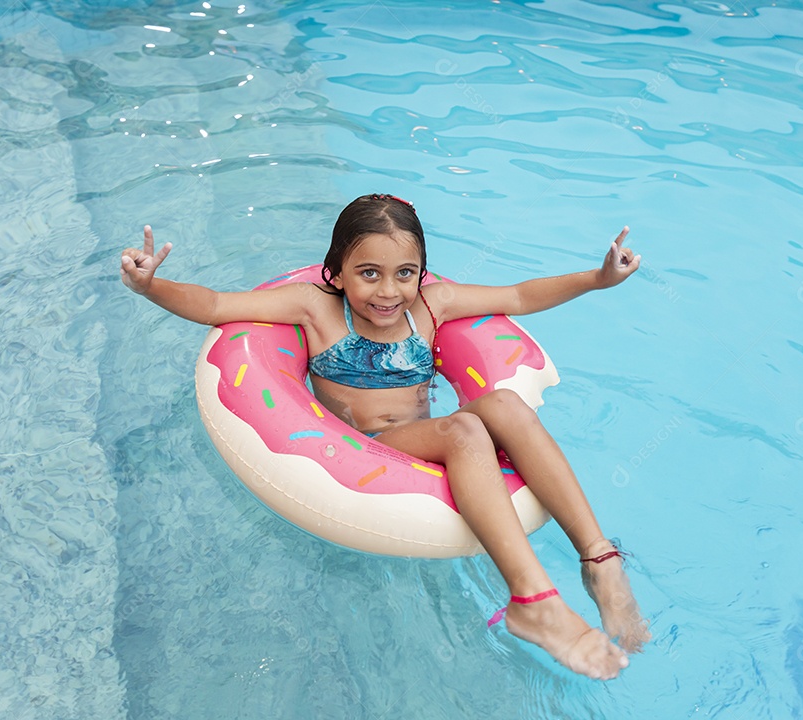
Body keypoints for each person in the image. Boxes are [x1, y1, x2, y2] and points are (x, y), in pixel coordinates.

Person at [120, 193, 650, 680]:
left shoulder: (431, 306)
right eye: (369, 273)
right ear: (337, 272)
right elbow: (215, 306)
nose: (388, 291)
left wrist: (596, 279)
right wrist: (149, 286)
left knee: (505, 405)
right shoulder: (313, 308)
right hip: (370, 448)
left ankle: (599, 559)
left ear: (420, 273)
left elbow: (517, 294)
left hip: (427, 435)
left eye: (404, 273)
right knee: (466, 427)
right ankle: (533, 603)